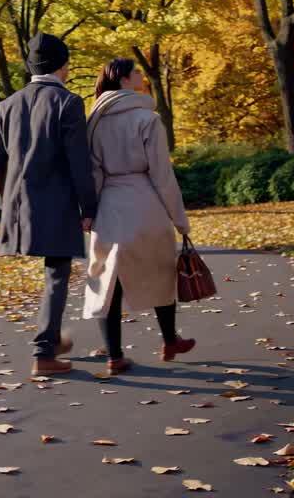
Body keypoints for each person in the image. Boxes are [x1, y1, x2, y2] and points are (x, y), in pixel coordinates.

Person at [0, 33, 98, 376]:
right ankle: (44, 353)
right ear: (63, 65)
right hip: (57, 203)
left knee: (54, 276)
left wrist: (5, 204)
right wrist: (88, 208)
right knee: (57, 275)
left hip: (18, 205)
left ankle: (51, 340)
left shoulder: (6, 106)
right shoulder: (68, 103)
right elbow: (79, 161)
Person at [82, 58, 196, 376]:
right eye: (136, 73)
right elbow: (162, 174)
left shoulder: (94, 120)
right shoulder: (148, 118)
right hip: (146, 202)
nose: (141, 76)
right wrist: (179, 219)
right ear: (122, 80)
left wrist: (88, 213)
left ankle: (115, 356)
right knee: (161, 270)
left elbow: (93, 173)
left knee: (107, 279)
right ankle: (170, 339)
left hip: (109, 205)